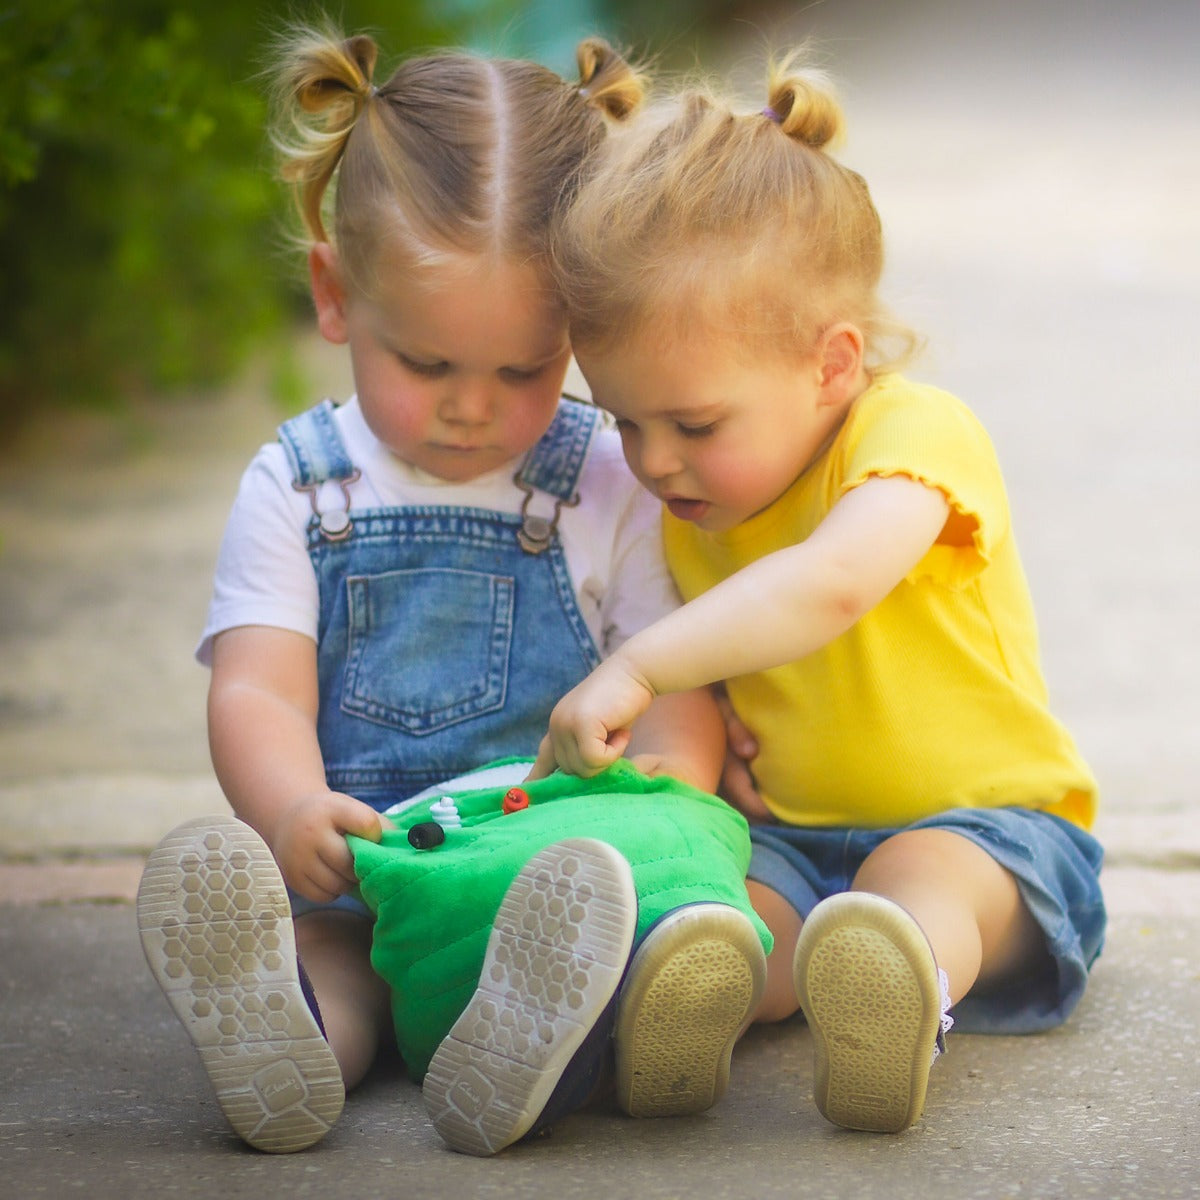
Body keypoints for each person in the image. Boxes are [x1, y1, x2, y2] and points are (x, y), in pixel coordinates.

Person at [137, 23, 767, 1156]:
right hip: (368, 870)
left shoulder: (610, 480)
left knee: (634, 914)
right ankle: (289, 1035)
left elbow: (671, 672)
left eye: (524, 369)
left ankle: (543, 1034)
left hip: (548, 869)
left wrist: (672, 777)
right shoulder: (298, 485)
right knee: (335, 956)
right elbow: (258, 689)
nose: (472, 406)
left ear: (580, 325)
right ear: (335, 294)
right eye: (425, 363)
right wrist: (290, 813)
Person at [532, 53, 1107, 1135]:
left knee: (915, 878)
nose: (653, 461)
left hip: (991, 830)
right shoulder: (693, 503)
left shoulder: (912, 437)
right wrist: (692, 764)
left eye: (693, 423)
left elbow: (831, 584)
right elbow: (709, 687)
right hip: (795, 840)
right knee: (729, 916)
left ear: (833, 363)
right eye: (624, 422)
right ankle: (680, 1014)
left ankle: (899, 991)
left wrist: (641, 666)